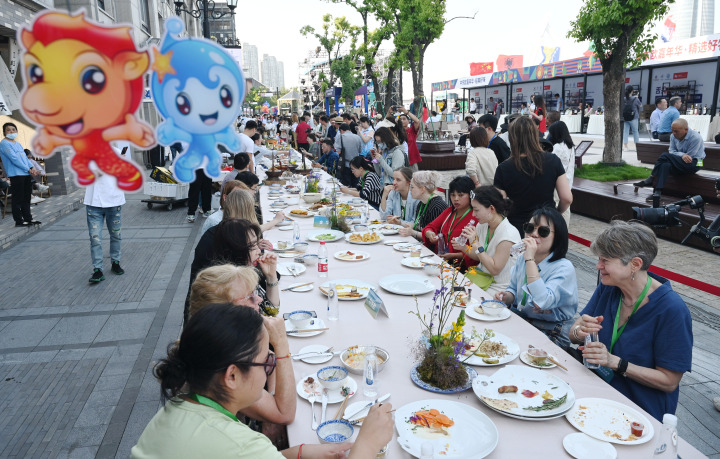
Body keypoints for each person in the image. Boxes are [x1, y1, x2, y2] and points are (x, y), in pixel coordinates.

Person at [132, 304, 394, 459]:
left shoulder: (181, 405)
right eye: (266, 363)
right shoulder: (239, 444)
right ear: (232, 376)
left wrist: (298, 451)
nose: (270, 370)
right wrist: (367, 444)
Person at [570, 221, 692, 422]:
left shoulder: (672, 310)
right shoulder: (609, 286)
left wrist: (616, 363)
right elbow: (575, 331)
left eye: (605, 260)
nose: (598, 266)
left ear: (635, 264)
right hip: (595, 391)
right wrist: (579, 331)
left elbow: (669, 381)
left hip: (638, 412)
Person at [188, 265, 297, 434]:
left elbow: (270, 358)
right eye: (250, 297)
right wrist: (282, 344)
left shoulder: (221, 339)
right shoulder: (224, 365)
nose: (259, 300)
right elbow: (285, 413)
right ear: (225, 315)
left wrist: (272, 400)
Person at [495, 207, 578, 348]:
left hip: (553, 331)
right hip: (524, 321)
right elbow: (513, 289)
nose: (533, 234)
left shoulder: (564, 268)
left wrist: (530, 260)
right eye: (530, 228)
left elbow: (542, 301)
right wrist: (506, 296)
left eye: (543, 231)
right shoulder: (523, 258)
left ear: (557, 237)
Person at [188, 219, 280, 323]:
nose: (259, 251)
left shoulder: (245, 274)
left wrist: (271, 276)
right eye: (252, 246)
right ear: (236, 250)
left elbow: (271, 311)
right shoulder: (229, 288)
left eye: (257, 245)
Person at [494, 116, 573, 236]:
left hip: (517, 228)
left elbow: (499, 203)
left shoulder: (504, 168)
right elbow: (567, 198)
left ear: (512, 138)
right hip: (547, 225)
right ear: (535, 135)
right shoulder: (553, 160)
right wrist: (555, 213)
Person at [452, 186, 520, 295]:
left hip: (499, 287)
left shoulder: (508, 234)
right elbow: (480, 255)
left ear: (492, 209)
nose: (473, 214)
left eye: (476, 210)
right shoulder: (483, 225)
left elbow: (494, 269)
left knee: (460, 298)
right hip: (481, 278)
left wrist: (476, 244)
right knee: (450, 292)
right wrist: (463, 247)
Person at [633, 118, 705, 203]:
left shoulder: (695, 137)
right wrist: (682, 155)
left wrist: (680, 155)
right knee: (665, 165)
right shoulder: (673, 136)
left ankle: (651, 178)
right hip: (681, 162)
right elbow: (671, 151)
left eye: (676, 131)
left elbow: (689, 157)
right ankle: (658, 193)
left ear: (686, 130)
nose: (673, 133)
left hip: (697, 162)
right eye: (672, 131)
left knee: (664, 155)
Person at [421, 176, 476, 269]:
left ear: (471, 195)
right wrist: (429, 233)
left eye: (460, 195)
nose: (456, 199)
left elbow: (477, 253)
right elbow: (429, 227)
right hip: (441, 259)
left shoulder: (475, 216)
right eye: (453, 195)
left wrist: (454, 256)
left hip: (461, 266)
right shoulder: (450, 211)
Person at [84, 172, 126, 283]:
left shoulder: (119, 153)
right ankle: (97, 269)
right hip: (93, 202)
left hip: (114, 200)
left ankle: (115, 262)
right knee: (95, 239)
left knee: (116, 235)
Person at [0, 122, 41, 227]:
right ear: (4, 132)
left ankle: (28, 218)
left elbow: (24, 158)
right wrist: (28, 169)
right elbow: (14, 159)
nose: (11, 132)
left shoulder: (17, 144)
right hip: (16, 175)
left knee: (27, 197)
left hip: (25, 173)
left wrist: (32, 167)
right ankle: (19, 221)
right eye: (8, 130)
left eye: (13, 129)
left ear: (16, 131)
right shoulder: (4, 144)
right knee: (18, 198)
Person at [398, 170, 448, 240]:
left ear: (422, 189)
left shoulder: (436, 207)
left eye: (412, 187)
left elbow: (434, 237)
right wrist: (399, 223)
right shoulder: (421, 203)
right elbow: (418, 225)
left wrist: (413, 233)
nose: (410, 190)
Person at [547, 121, 576, 227]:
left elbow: (550, 164)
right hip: (568, 183)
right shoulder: (571, 147)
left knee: (557, 207)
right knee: (566, 210)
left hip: (557, 183)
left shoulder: (558, 147)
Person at [334, 123, 363, 187]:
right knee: (355, 185)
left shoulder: (340, 137)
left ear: (341, 130)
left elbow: (338, 151)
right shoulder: (357, 137)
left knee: (346, 185)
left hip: (345, 165)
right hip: (356, 165)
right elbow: (360, 151)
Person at [396, 106, 422, 170]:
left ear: (408, 121)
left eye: (404, 119)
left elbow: (417, 121)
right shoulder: (396, 132)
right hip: (400, 160)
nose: (402, 121)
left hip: (412, 159)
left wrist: (406, 112)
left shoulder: (411, 130)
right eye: (400, 119)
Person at [622, 86, 643, 151]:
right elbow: (640, 106)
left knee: (625, 132)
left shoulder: (624, 99)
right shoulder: (635, 99)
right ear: (632, 91)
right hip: (634, 117)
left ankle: (625, 146)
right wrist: (637, 97)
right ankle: (637, 146)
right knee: (635, 131)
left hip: (625, 117)